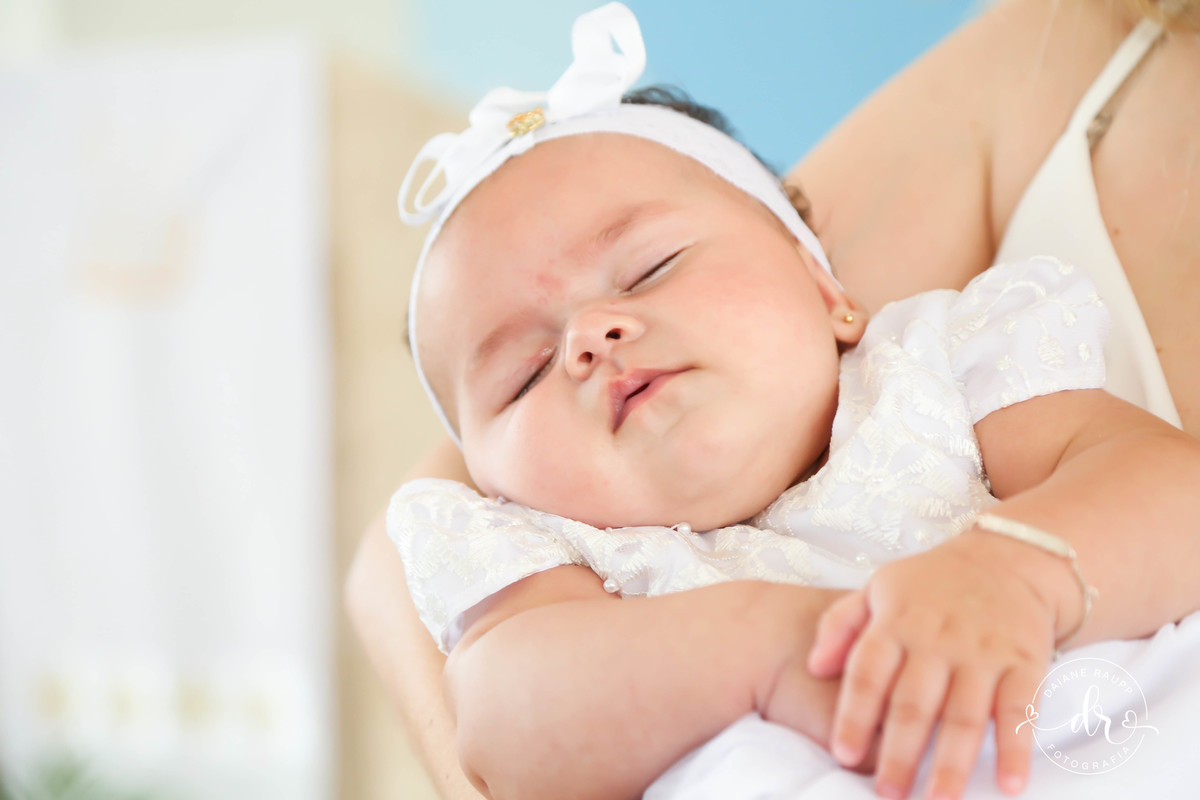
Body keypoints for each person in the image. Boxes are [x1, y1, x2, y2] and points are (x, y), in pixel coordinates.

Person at [345, 0, 1200, 798]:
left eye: (650, 269)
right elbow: (501, 722)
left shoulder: (940, 369)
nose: (590, 339)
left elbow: (1166, 487)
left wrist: (1016, 573)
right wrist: (771, 648)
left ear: (827, 289)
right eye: (525, 373)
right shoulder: (560, 565)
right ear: (490, 481)